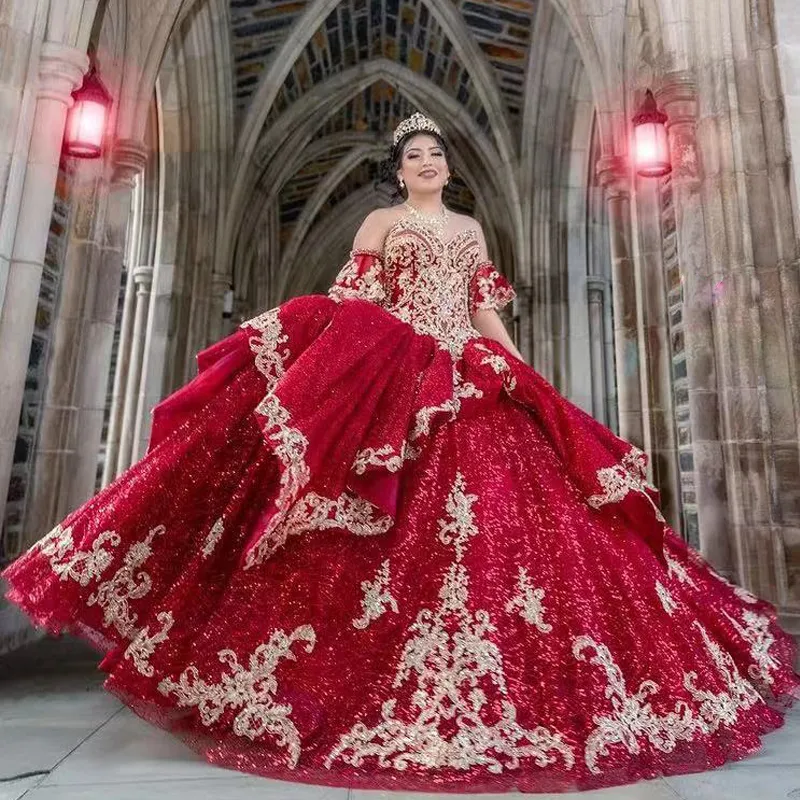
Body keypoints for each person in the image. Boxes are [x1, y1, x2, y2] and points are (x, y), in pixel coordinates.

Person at [3, 112, 798, 794]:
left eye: (438, 154)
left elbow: (485, 313)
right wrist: (332, 353)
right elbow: (357, 299)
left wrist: (523, 374)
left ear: (449, 168)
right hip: (401, 373)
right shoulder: (381, 226)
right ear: (400, 170)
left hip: (472, 376)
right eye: (416, 155)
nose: (429, 163)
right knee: (376, 529)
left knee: (516, 535)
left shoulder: (470, 229)